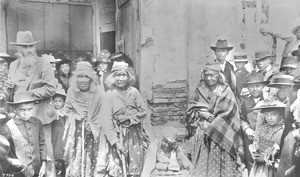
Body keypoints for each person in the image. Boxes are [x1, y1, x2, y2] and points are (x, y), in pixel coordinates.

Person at [7, 31, 57, 177]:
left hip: (41, 115)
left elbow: (51, 89)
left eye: (31, 46)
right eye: (25, 47)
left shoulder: (44, 64)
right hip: (19, 117)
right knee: (22, 154)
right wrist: (10, 88)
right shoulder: (14, 65)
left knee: (46, 154)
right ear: (18, 49)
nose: (29, 50)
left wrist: (28, 95)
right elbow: (11, 93)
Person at [186, 62, 244, 177]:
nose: (209, 78)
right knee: (202, 164)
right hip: (203, 132)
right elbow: (191, 109)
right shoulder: (200, 89)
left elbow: (230, 111)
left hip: (221, 132)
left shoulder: (226, 90)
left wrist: (214, 123)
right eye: (206, 75)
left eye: (212, 75)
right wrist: (203, 113)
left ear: (218, 75)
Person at [100, 61, 147, 176]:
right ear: (112, 77)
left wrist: (129, 118)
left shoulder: (134, 92)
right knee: (118, 167)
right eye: (118, 75)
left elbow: (143, 112)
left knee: (135, 164)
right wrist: (115, 142)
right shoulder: (109, 95)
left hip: (134, 134)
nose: (121, 78)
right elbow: (107, 120)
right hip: (117, 134)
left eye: (124, 75)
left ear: (128, 77)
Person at [63, 61, 105, 177]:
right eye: (80, 76)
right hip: (77, 133)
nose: (83, 80)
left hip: (94, 134)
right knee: (77, 158)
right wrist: (76, 117)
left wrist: (92, 125)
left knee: (93, 159)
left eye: (86, 76)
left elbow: (104, 113)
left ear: (91, 78)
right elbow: (66, 111)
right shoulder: (71, 92)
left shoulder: (99, 93)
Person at [6, 91, 47, 177]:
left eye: (30, 109)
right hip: (19, 171)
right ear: (15, 109)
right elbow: (2, 151)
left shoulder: (37, 123)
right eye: (22, 110)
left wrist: (43, 164)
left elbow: (42, 144)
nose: (26, 113)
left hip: (37, 170)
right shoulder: (9, 126)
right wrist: (10, 160)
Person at [240, 72, 268, 173]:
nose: (255, 89)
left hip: (265, 138)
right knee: (250, 161)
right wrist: (246, 129)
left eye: (257, 86)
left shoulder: (267, 100)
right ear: (247, 87)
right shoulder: (244, 101)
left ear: (263, 86)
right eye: (251, 86)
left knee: (265, 161)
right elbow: (241, 118)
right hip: (249, 137)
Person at [249, 100, 285, 177]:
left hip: (272, 167)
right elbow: (257, 144)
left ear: (281, 115)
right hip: (258, 166)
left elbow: (278, 153)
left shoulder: (281, 131)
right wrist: (255, 151)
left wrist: (264, 158)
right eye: (266, 114)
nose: (269, 118)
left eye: (273, 114)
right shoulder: (262, 128)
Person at [51, 86, 67, 177]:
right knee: (56, 152)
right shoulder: (52, 112)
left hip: (63, 134)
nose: (57, 103)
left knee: (63, 151)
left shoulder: (65, 112)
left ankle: (63, 172)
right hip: (55, 134)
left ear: (64, 102)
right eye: (55, 101)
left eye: (60, 101)